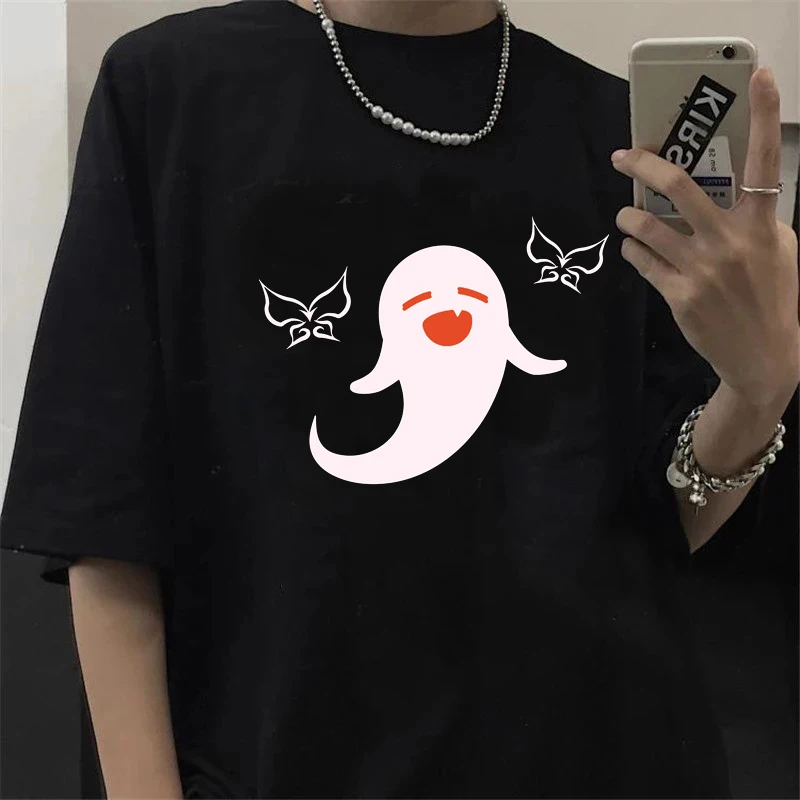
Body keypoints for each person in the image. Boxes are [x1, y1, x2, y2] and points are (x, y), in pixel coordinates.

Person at [1, 0, 797, 797]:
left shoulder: (619, 139)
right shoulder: (172, 90)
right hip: (278, 760)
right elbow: (104, 504)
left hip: (604, 757)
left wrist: (757, 391)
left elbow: (666, 517)